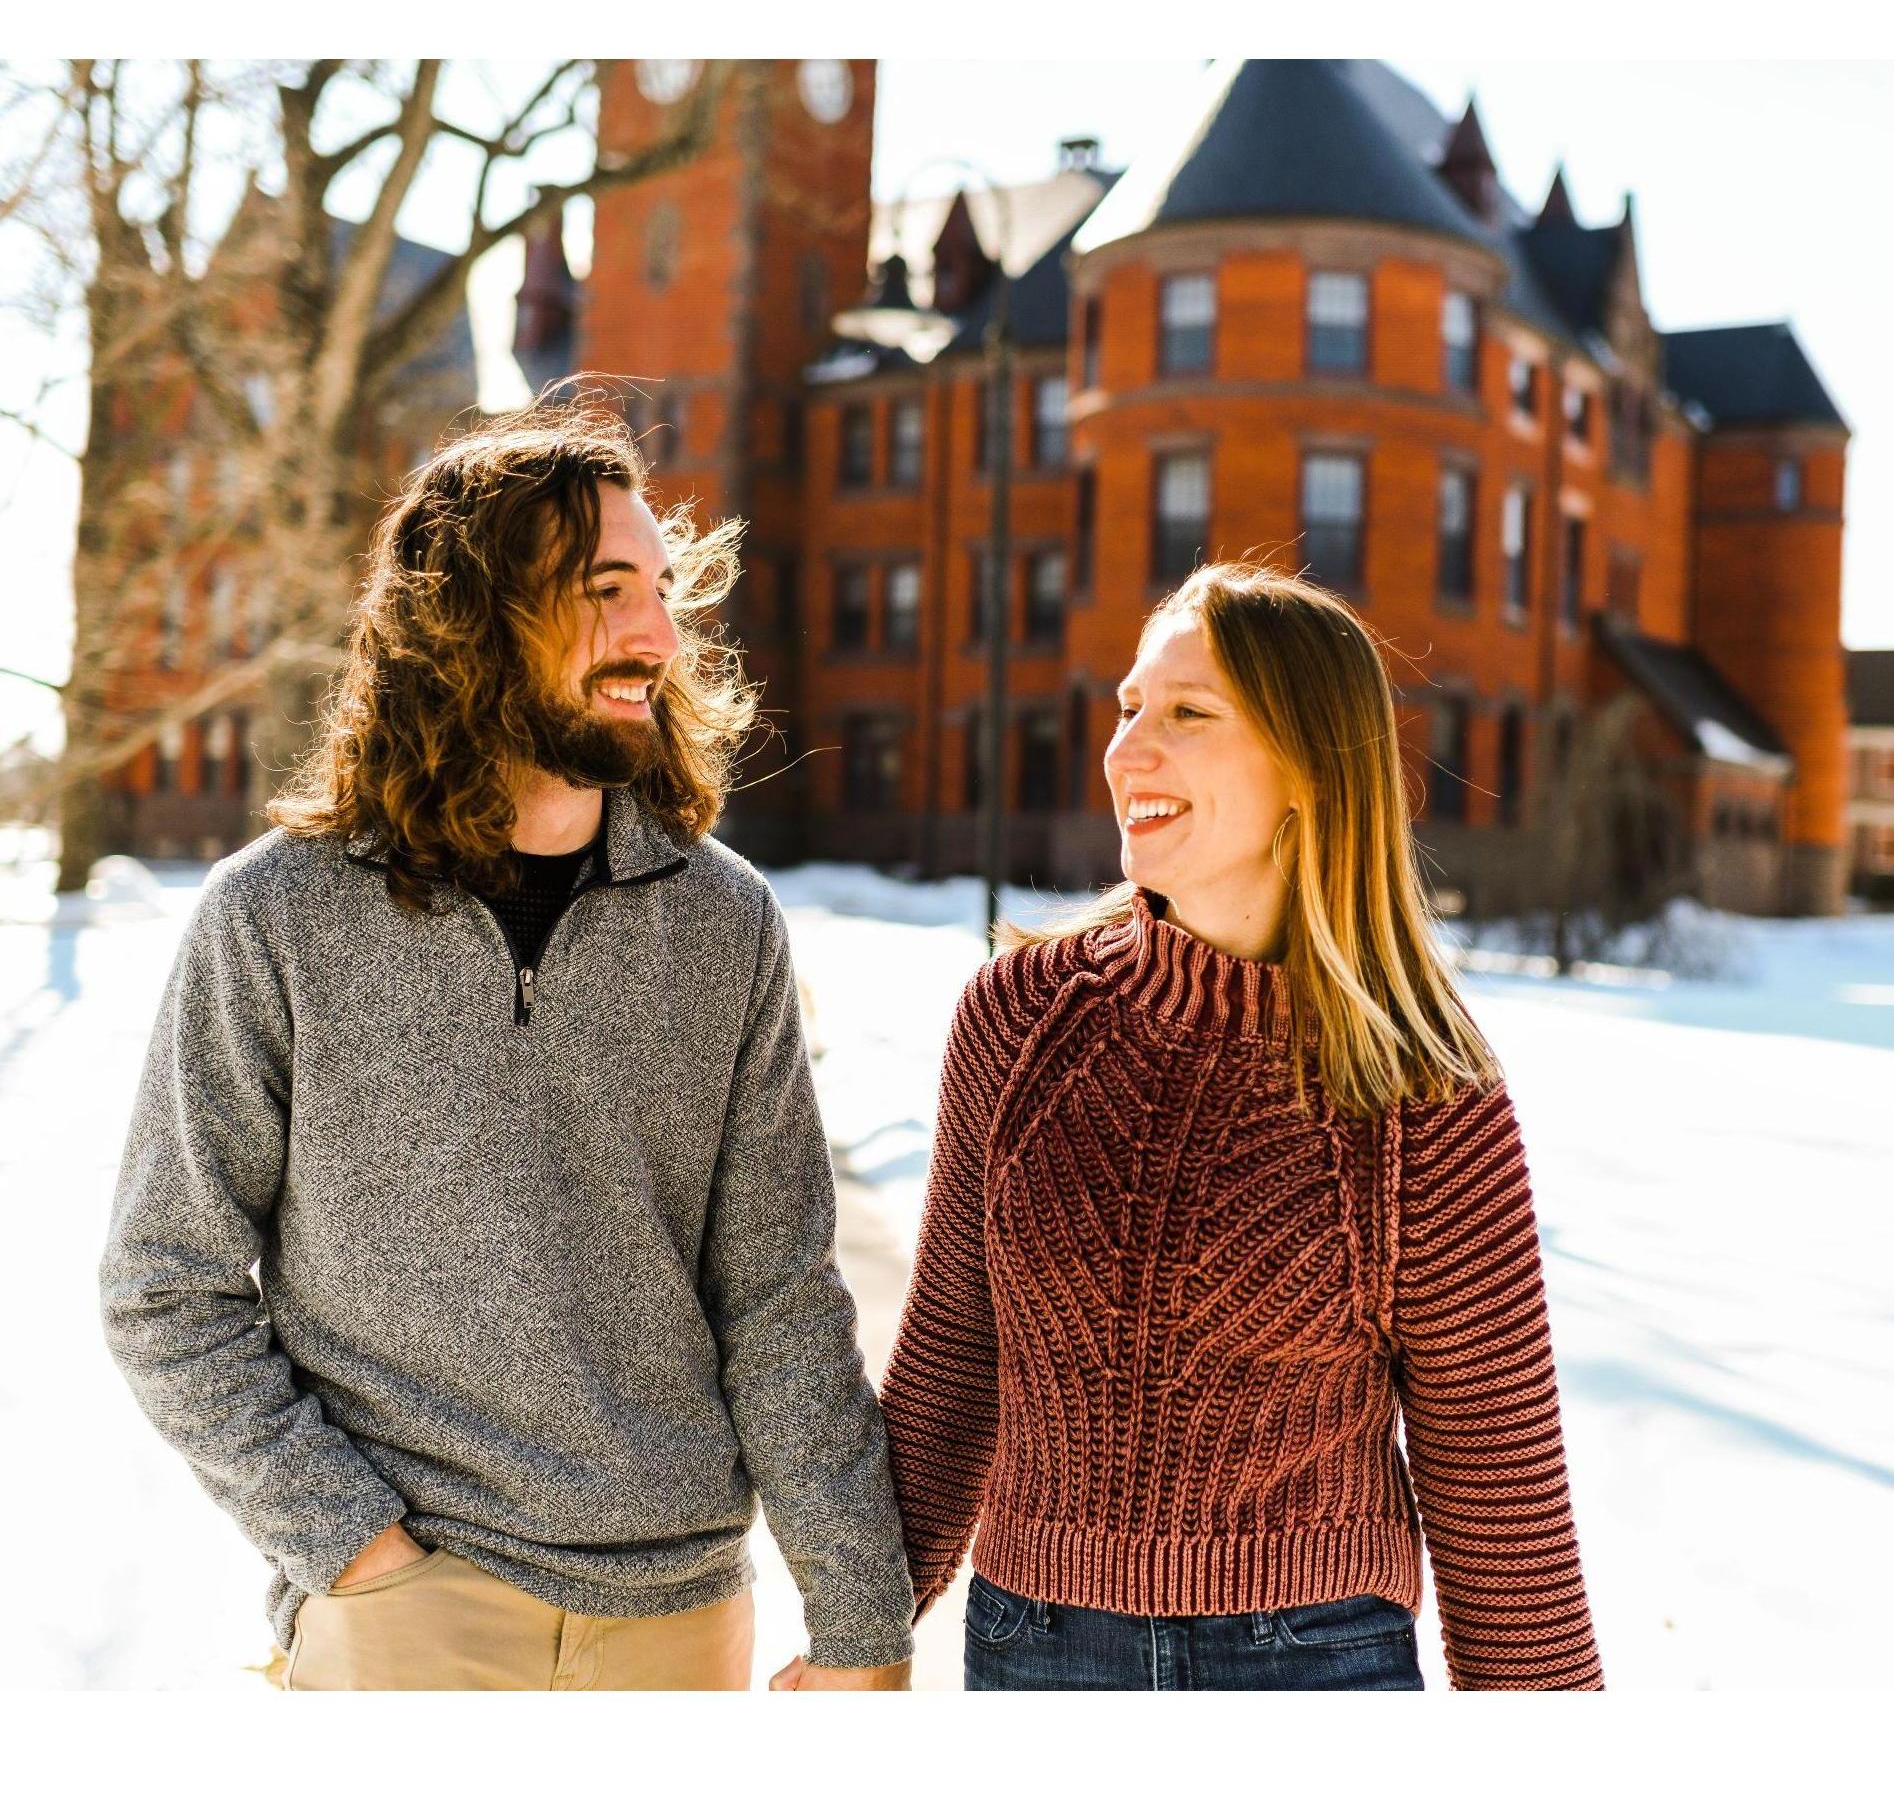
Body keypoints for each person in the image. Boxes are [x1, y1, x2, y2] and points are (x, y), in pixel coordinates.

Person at [99, 402, 914, 1691]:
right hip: (411, 1619)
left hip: (680, 1623)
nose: (654, 632)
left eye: (660, 589)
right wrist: (356, 1551)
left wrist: (863, 1622)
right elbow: (167, 1284)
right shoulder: (281, 914)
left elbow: (777, 1298)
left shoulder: (724, 920)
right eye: (604, 590)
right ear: (468, 615)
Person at [878, 558, 1604, 1691]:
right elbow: (952, 1370)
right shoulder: (1016, 1021)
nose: (1127, 752)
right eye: (1127, 709)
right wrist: (857, 1631)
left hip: (1313, 1665)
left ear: (1308, 765)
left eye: (1186, 714)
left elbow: (1498, 1487)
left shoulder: (1423, 1096)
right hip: (1035, 1655)